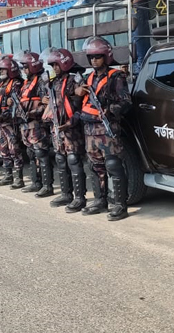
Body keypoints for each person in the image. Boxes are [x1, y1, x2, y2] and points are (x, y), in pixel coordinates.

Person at [75, 36, 132, 221]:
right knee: (95, 166)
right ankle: (100, 200)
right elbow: (77, 102)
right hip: (90, 129)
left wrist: (110, 110)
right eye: (91, 57)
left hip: (107, 128)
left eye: (98, 57)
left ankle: (120, 205)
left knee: (113, 165)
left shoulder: (116, 76)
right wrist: (76, 93)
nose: (94, 61)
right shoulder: (87, 78)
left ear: (106, 57)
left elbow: (126, 102)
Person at [41, 47, 88, 212]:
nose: (54, 68)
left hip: (71, 128)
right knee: (60, 159)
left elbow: (83, 106)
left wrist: (70, 123)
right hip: (57, 127)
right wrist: (45, 100)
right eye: (52, 65)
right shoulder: (54, 82)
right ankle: (66, 193)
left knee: (73, 160)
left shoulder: (75, 79)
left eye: (56, 65)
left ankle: (80, 198)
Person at [14, 50, 54, 197]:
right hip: (26, 125)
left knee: (41, 154)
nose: (24, 70)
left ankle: (47, 185)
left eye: (26, 67)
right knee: (31, 153)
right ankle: (36, 182)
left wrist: (33, 112)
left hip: (37, 124)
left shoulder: (42, 81)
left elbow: (47, 104)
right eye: (22, 67)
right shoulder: (26, 83)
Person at [0, 56, 26, 188]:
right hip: (0, 122)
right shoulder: (2, 84)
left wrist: (6, 105)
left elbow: (16, 103)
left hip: (10, 122)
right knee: (3, 149)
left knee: (14, 150)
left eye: (3, 70)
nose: (0, 72)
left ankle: (19, 178)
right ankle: (8, 175)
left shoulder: (16, 84)